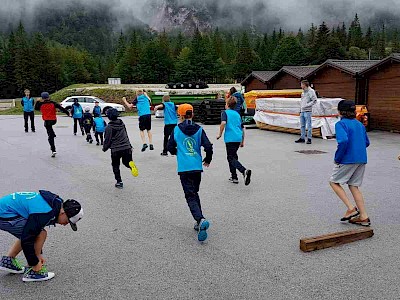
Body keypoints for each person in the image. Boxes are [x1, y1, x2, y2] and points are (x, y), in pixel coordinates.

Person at [0, 190, 83, 282]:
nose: (65, 224)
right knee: (39, 234)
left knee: (35, 232)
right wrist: (34, 262)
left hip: (6, 210)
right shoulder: (45, 212)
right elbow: (27, 239)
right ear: (63, 213)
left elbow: (32, 230)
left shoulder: (55, 203)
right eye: (67, 221)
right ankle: (34, 271)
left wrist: (38, 255)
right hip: (4, 215)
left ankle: (8, 261)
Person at [167, 104, 213, 242]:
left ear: (180, 115)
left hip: (184, 168)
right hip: (197, 167)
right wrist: (208, 158)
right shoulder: (199, 129)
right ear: (192, 114)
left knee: (190, 195)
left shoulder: (176, 129)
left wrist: (178, 153)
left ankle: (200, 218)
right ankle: (199, 221)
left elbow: (169, 147)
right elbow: (208, 146)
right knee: (194, 192)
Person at [329, 100, 371, 227]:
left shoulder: (340, 124)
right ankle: (363, 216)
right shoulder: (359, 125)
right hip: (362, 158)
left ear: (340, 112)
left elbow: (343, 141)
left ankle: (351, 208)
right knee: (353, 185)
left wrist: (338, 158)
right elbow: (367, 143)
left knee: (334, 182)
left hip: (348, 159)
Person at [217, 97, 252, 185]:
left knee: (230, 157)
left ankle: (244, 171)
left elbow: (223, 123)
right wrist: (242, 141)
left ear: (227, 105)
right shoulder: (237, 114)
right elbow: (242, 128)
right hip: (238, 138)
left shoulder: (225, 113)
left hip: (230, 138)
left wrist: (220, 134)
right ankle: (234, 177)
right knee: (233, 156)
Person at [103, 108, 138, 189]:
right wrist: (130, 145)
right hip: (126, 147)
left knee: (115, 165)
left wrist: (104, 148)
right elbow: (125, 134)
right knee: (127, 162)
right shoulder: (122, 123)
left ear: (108, 117)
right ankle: (131, 166)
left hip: (116, 149)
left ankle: (119, 182)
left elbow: (107, 140)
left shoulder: (109, 127)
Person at [35, 92, 70, 157]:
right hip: (54, 120)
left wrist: (37, 101)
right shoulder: (53, 103)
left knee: (50, 136)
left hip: (47, 121)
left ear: (42, 98)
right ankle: (53, 134)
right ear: (49, 97)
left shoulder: (40, 104)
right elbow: (61, 108)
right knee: (50, 129)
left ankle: (53, 150)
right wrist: (68, 113)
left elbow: (36, 108)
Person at [295, 80, 317, 144]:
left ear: (305, 85)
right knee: (302, 125)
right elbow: (302, 101)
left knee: (309, 125)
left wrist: (307, 105)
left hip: (308, 111)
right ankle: (302, 138)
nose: (301, 86)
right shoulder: (303, 92)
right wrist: (300, 109)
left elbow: (314, 100)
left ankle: (309, 138)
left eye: (301, 84)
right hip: (302, 110)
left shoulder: (311, 91)